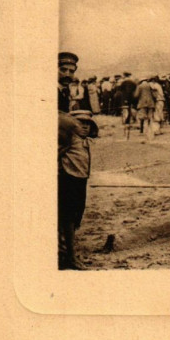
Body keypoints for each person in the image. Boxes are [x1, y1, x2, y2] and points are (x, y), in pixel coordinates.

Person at [58, 109, 98, 270]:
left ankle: (68, 252)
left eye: (88, 124)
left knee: (76, 216)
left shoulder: (84, 141)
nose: (85, 127)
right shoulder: (68, 139)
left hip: (80, 181)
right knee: (68, 217)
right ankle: (69, 256)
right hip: (69, 180)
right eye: (81, 123)